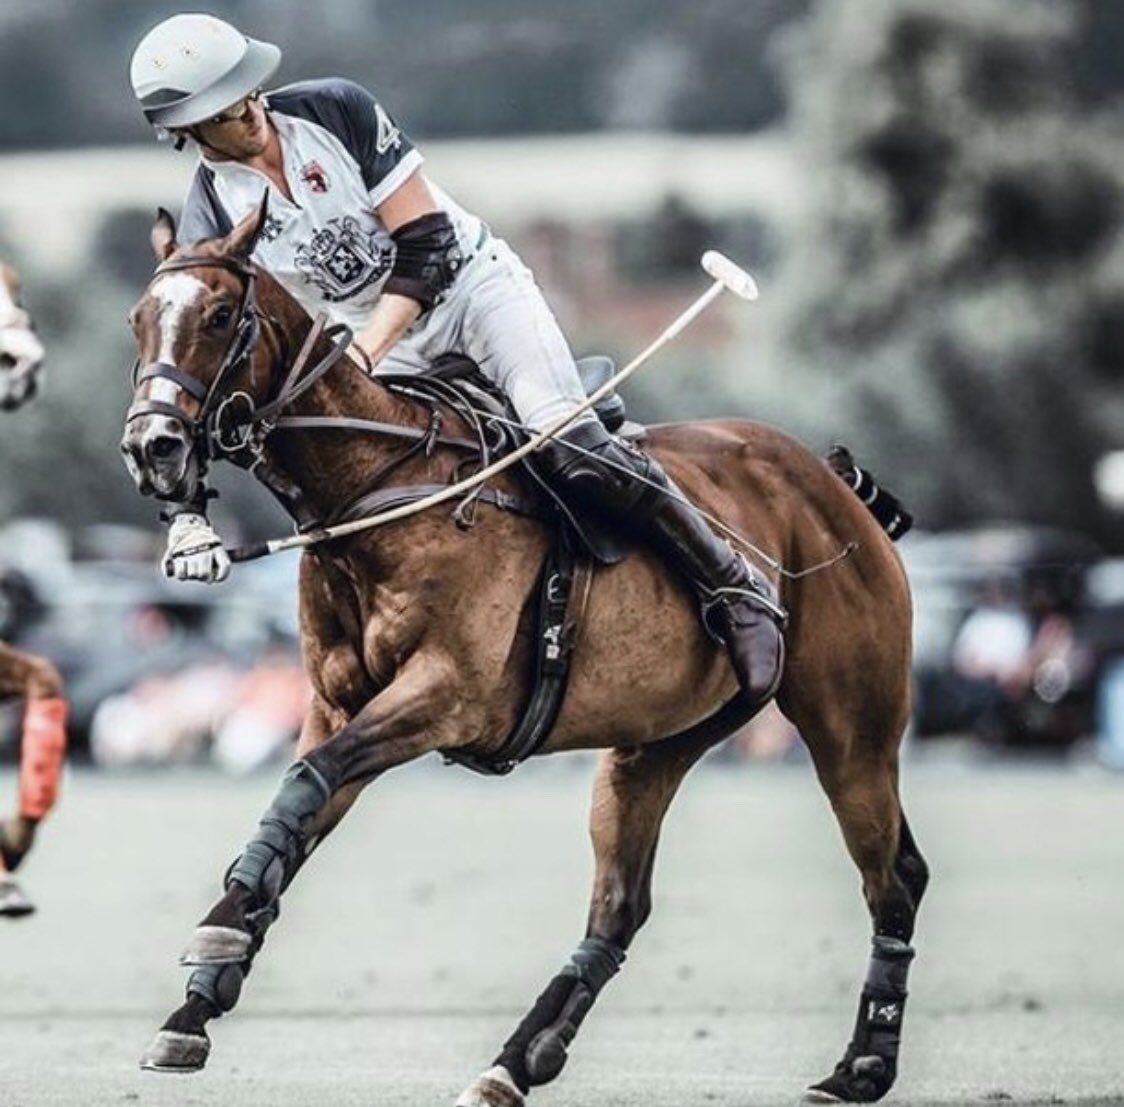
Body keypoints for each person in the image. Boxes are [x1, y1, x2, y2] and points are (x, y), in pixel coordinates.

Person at [127, 13, 786, 705]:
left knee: (563, 438)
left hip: (472, 293)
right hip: (373, 342)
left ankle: (732, 586)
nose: (250, 114)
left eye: (249, 93)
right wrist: (187, 514)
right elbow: (190, 366)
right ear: (188, 133)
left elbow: (428, 244)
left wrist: (365, 353)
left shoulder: (333, 109)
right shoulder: (209, 217)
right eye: (225, 114)